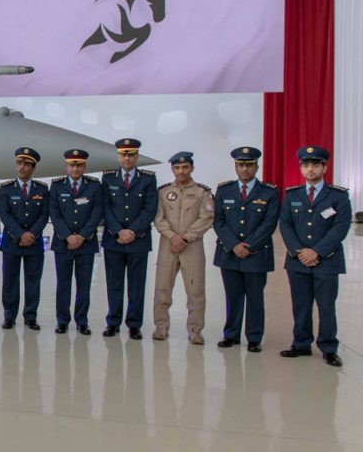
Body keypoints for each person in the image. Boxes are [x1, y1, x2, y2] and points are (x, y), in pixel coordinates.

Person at [278, 146, 352, 367]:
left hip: (327, 260)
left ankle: (329, 348)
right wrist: (299, 252)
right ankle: (301, 344)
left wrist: (316, 251)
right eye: (306, 165)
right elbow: (286, 225)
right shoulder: (292, 195)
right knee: (300, 305)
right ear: (301, 168)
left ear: (324, 168)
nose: (310, 169)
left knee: (326, 306)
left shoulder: (338, 196)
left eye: (315, 165)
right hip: (298, 261)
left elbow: (340, 227)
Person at [213, 146, 279, 353]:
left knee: (255, 298)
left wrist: (248, 246)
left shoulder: (269, 192)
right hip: (229, 253)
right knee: (232, 296)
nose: (245, 169)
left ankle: (254, 337)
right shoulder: (224, 190)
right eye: (241, 165)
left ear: (256, 166)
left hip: (256, 254)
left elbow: (269, 224)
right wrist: (234, 245)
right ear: (235, 166)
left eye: (249, 165)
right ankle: (231, 334)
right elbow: (219, 221)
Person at [151, 152, 214, 344]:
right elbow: (158, 218)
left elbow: (207, 218)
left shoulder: (202, 192)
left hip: (192, 246)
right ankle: (161, 327)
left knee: (196, 291)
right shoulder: (163, 192)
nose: (181, 171)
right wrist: (173, 236)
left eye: (185, 167)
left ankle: (195, 330)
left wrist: (185, 238)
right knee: (162, 289)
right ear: (172, 169)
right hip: (168, 245)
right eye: (177, 168)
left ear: (191, 168)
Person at [100, 138, 157, 340]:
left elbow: (150, 209)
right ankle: (113, 322)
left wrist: (131, 231)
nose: (127, 158)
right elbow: (105, 208)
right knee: (114, 284)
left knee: (137, 285)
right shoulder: (108, 178)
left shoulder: (148, 179)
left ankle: (134, 324)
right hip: (114, 240)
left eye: (131, 154)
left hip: (138, 240)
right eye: (124, 154)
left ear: (137, 156)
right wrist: (119, 231)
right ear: (118, 156)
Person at [48, 149, 102, 335]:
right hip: (63, 243)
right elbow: (54, 213)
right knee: (63, 284)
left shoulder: (94, 186)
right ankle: (62, 321)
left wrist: (82, 236)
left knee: (84, 285)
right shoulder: (57, 186)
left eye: (79, 165)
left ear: (84, 166)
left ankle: (82, 321)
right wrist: (68, 236)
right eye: (72, 165)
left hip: (86, 244)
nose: (75, 169)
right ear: (66, 166)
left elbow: (97, 212)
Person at [0, 147, 49, 331]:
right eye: (19, 163)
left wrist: (31, 235)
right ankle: (9, 316)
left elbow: (44, 215)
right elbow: (4, 214)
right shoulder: (6, 189)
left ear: (33, 168)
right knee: (10, 282)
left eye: (26, 164)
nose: (22, 167)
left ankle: (30, 316)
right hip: (12, 242)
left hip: (34, 243)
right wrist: (20, 235)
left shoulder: (42, 189)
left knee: (33, 282)